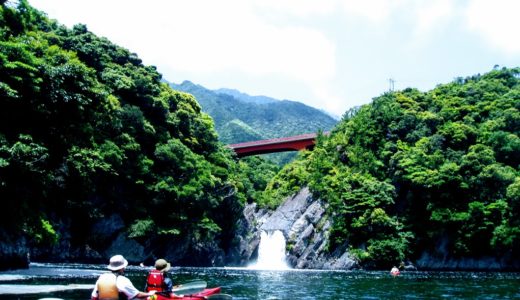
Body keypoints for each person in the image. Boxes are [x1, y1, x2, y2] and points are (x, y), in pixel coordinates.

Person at [91, 254, 155, 300]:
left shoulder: (102, 278)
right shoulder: (123, 280)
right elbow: (138, 295)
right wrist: (150, 293)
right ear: (122, 268)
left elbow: (94, 297)